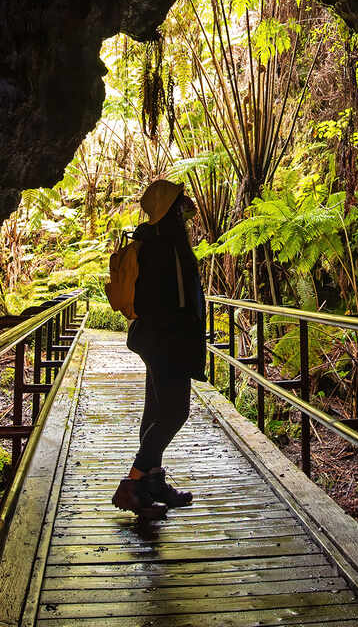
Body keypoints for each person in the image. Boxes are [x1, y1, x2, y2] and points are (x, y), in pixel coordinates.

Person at [112, 179, 206, 517]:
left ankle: (152, 483)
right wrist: (183, 340)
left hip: (157, 339)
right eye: (180, 206)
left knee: (155, 411)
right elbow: (172, 303)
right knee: (175, 411)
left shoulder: (157, 241)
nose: (185, 213)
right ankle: (133, 481)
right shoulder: (164, 246)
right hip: (168, 340)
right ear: (169, 211)